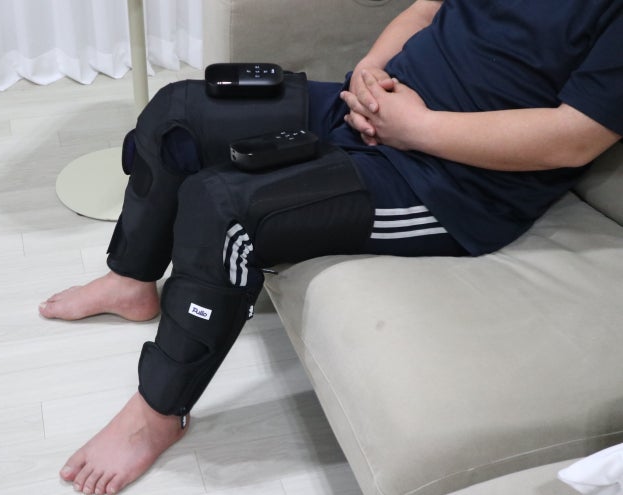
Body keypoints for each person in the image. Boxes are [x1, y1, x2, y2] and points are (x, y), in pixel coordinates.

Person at [39, 1, 623, 493]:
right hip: (376, 110)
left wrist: (416, 130)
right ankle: (131, 279)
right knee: (176, 113)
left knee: (223, 208)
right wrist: (369, 72)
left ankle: (157, 413)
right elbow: (425, 9)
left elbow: (574, 138)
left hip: (452, 185)